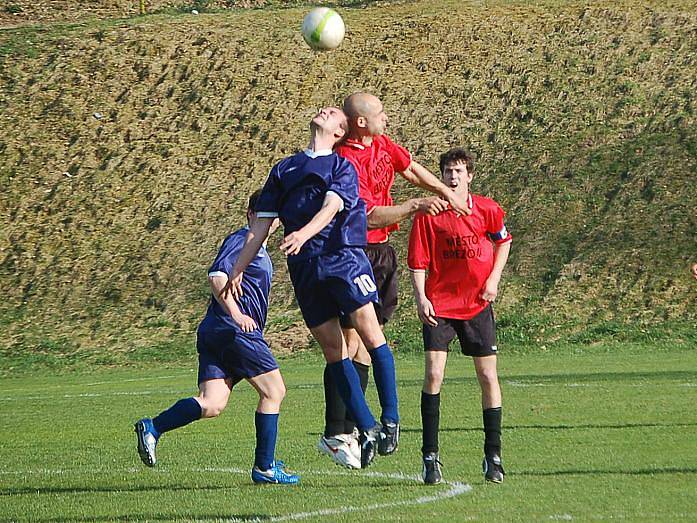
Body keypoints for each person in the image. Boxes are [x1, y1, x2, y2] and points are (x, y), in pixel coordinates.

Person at [222, 106, 397, 469]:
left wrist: (303, 232)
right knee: (334, 352)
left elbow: (332, 206)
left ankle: (391, 418)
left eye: (333, 113)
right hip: (305, 268)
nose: (326, 111)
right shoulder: (284, 169)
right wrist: (238, 267)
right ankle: (368, 427)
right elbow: (259, 229)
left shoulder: (341, 166)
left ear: (339, 131)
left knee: (370, 334)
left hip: (342, 258)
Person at [316, 92, 473, 468]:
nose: (387, 118)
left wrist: (444, 191)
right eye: (382, 113)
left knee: (366, 346)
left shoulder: (384, 145)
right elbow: (367, 216)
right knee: (353, 339)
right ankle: (337, 430)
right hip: (355, 253)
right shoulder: (344, 162)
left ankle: (354, 431)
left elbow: (412, 168)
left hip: (382, 255)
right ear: (362, 123)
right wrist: (413, 205)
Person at [133, 190, 299, 485]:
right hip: (232, 331)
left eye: (272, 215)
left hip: (217, 332)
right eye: (263, 214)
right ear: (250, 214)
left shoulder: (257, 247)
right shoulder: (243, 240)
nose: (269, 220)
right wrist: (237, 315)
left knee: (212, 403)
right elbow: (217, 276)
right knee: (274, 391)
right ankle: (264, 467)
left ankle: (152, 427)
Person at [407, 147, 512, 485]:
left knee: (487, 377)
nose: (453, 177)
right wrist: (422, 297)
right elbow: (419, 261)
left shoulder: (487, 209)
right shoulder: (429, 214)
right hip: (440, 306)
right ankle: (430, 457)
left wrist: (493, 279)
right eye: (448, 171)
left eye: (459, 171)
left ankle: (493, 456)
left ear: (470, 176)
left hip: (478, 305)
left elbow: (503, 241)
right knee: (434, 376)